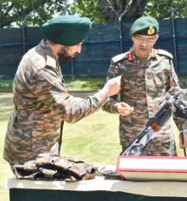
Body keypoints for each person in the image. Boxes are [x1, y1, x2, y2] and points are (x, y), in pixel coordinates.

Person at [3, 15, 122, 166]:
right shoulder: (42, 68)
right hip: (31, 153)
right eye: (78, 44)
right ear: (65, 42)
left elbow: (62, 100)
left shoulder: (41, 54)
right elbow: (71, 112)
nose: (79, 50)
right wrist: (106, 91)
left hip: (33, 145)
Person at [102, 16, 187, 156]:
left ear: (156, 39)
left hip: (162, 137)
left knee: (169, 177)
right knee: (135, 177)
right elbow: (106, 100)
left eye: (150, 39)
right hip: (133, 138)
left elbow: (175, 98)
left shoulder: (165, 61)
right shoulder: (119, 64)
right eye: (140, 38)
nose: (144, 44)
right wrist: (117, 106)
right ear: (133, 38)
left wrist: (183, 128)